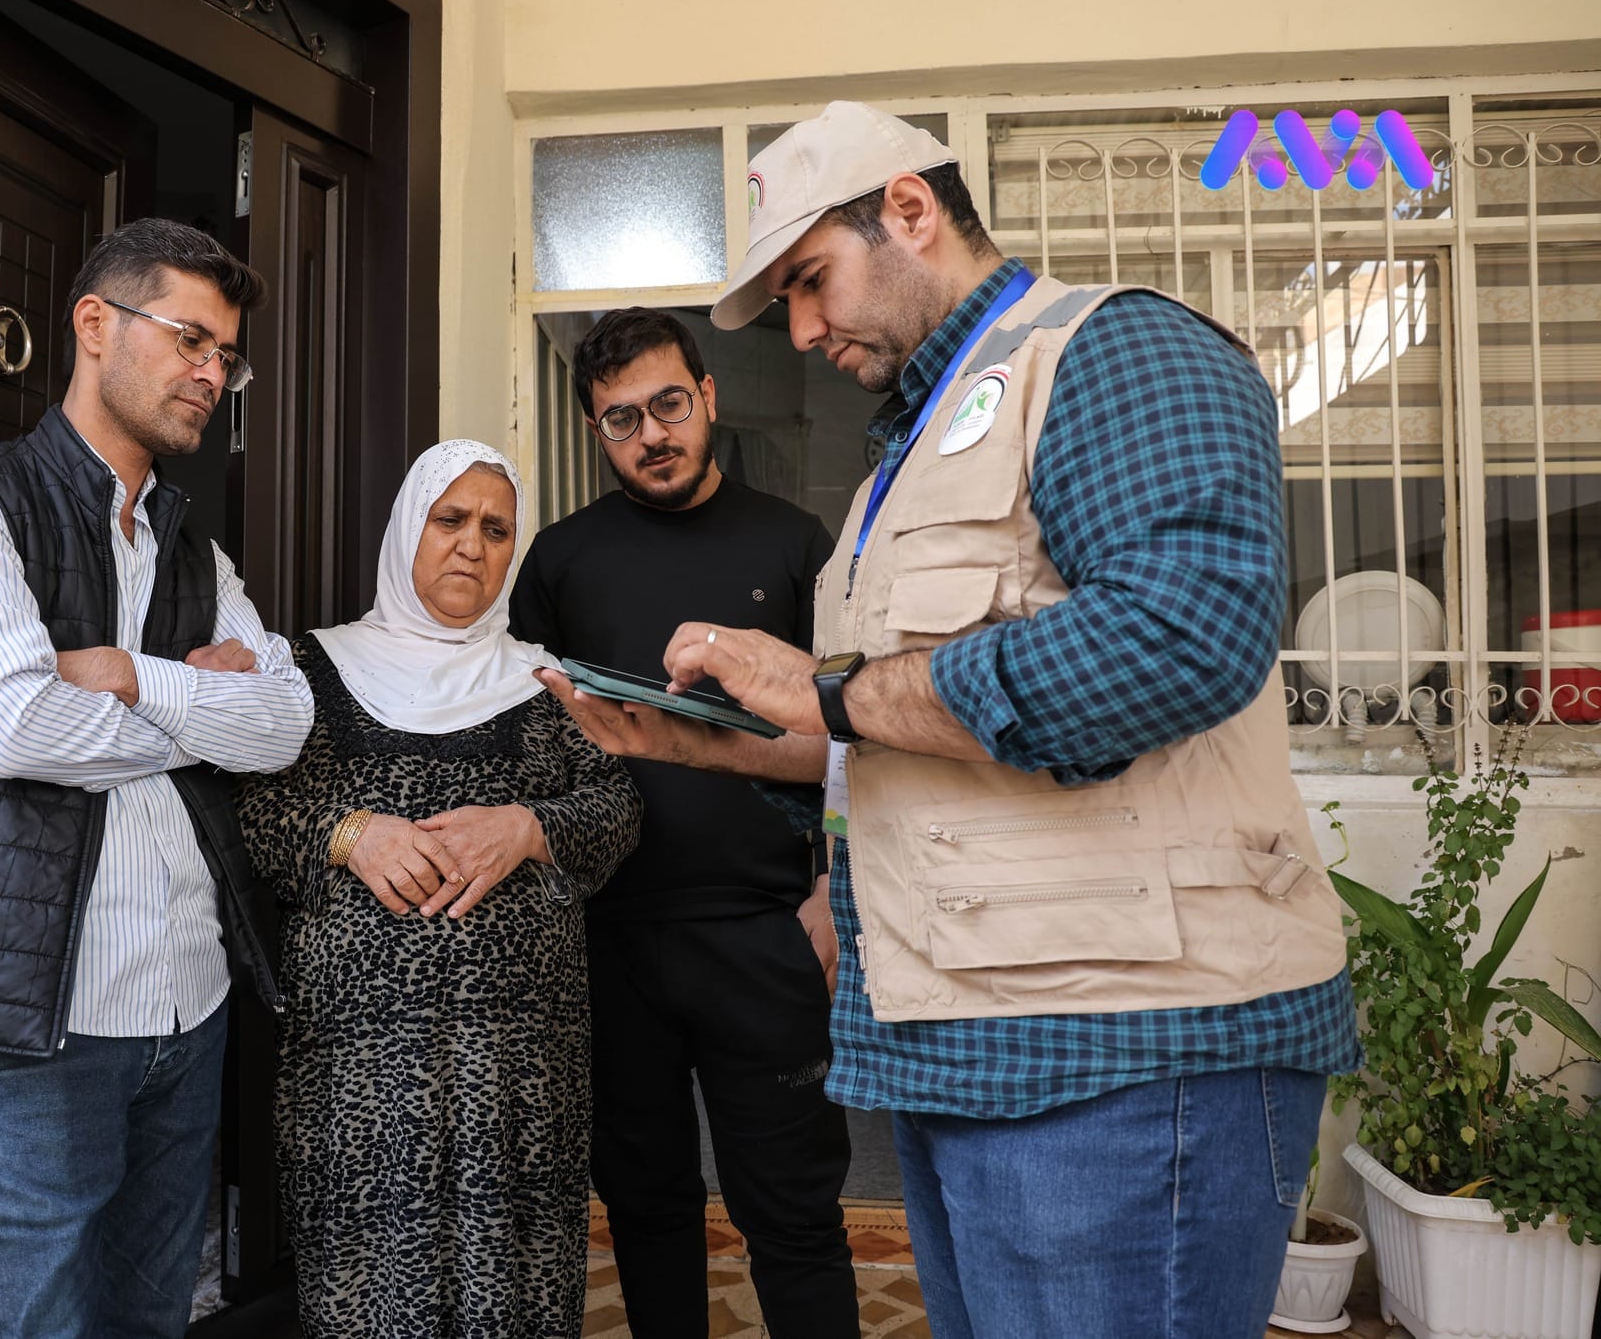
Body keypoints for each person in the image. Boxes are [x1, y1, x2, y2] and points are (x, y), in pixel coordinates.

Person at [539, 101, 1361, 1339]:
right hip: (968, 1047)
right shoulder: (902, 460)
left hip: (1129, 1054)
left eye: (811, 282)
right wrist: (706, 741)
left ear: (909, 211)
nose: (803, 331)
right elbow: (897, 732)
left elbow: (1177, 641)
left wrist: (825, 691)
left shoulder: (1112, 353)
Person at [0, 217, 314, 1337]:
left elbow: (287, 724)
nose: (213, 373)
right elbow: (9, 726)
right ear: (94, 325)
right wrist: (199, 704)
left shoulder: (199, 556)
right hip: (26, 1024)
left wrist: (120, 678)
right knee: (36, 1324)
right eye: (190, 339)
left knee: (153, 1319)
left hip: (186, 1007)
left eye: (226, 356)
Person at [236, 439, 642, 1339]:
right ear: (405, 530)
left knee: (514, 1281)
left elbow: (616, 808)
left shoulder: (543, 680)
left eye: (497, 529)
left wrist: (528, 826)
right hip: (359, 1065)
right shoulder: (309, 669)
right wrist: (351, 834)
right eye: (449, 519)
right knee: (374, 1288)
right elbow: (255, 817)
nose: (472, 545)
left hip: (519, 1070)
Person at [507, 308, 857, 1337]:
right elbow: (531, 738)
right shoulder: (560, 562)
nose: (649, 434)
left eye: (667, 405)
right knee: (646, 1211)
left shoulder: (793, 543)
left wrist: (836, 887)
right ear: (594, 430)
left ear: (705, 400)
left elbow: (856, 731)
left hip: (764, 931)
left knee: (791, 1216)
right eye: (620, 420)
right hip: (607, 940)